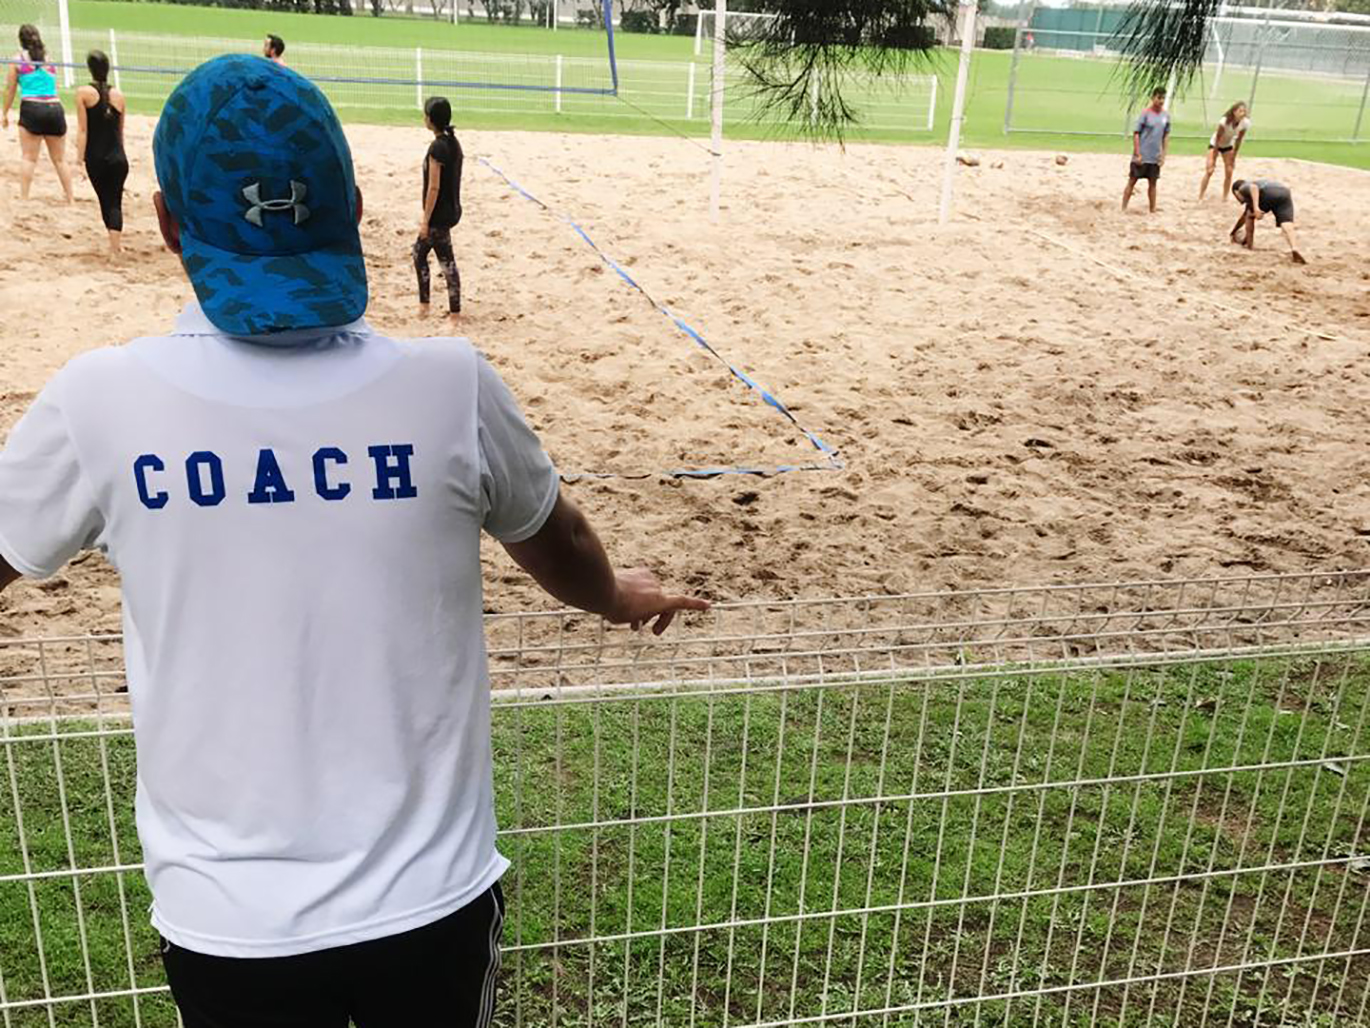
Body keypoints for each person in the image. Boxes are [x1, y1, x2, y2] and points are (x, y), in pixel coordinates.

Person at [0, 54, 707, 1027]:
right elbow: (561, 540)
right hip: (430, 904)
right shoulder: (450, 385)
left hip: (227, 918)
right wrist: (615, 596)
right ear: (354, 206)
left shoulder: (97, 401)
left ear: (170, 222)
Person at [2, 24, 74, 202]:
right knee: (59, 160)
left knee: (29, 158)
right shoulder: (49, 59)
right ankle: (70, 198)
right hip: (54, 108)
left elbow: (10, 89)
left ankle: (24, 197)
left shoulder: (17, 60)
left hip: (32, 107)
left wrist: (4, 112)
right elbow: (53, 87)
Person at [74, 50, 129, 256]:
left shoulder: (83, 94)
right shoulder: (119, 96)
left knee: (106, 201)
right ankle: (116, 244)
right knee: (115, 201)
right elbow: (120, 132)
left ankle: (114, 248)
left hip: (96, 157)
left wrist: (78, 160)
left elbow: (83, 130)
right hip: (118, 158)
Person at [414, 95, 463, 317]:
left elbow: (433, 187)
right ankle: (446, 309)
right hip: (451, 209)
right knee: (440, 257)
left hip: (439, 213)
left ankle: (436, 308)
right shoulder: (454, 143)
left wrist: (425, 220)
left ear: (430, 119)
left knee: (427, 255)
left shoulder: (437, 148)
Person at [1229, 178, 1306, 264]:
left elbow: (1253, 187)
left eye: (1236, 197)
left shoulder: (1243, 187)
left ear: (1236, 192)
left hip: (1268, 193)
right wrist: (1233, 231)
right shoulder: (1252, 195)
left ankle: (1249, 246)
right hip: (1284, 192)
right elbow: (1243, 217)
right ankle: (1294, 248)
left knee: (1250, 216)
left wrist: (1256, 208)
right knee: (1286, 223)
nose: (1239, 201)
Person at [1122, 87, 1170, 214]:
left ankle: (1152, 209)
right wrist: (1137, 153)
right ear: (1153, 98)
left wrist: (1163, 154)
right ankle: (1123, 207)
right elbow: (1136, 133)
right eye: (1159, 98)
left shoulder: (1165, 116)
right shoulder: (1145, 114)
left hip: (1155, 156)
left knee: (1153, 183)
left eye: (1163, 98)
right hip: (1142, 154)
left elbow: (1166, 136)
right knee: (1132, 180)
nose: (1161, 101)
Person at [1199, 102, 1250, 201]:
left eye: (1244, 111)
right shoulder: (1224, 121)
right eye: (1240, 111)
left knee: (1229, 171)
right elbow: (1217, 139)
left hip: (1228, 145)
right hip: (1215, 144)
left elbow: (1239, 140)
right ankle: (1201, 195)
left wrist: (1234, 157)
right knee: (1210, 170)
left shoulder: (1245, 123)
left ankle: (1225, 197)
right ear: (1234, 112)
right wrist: (1214, 157)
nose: (1243, 113)